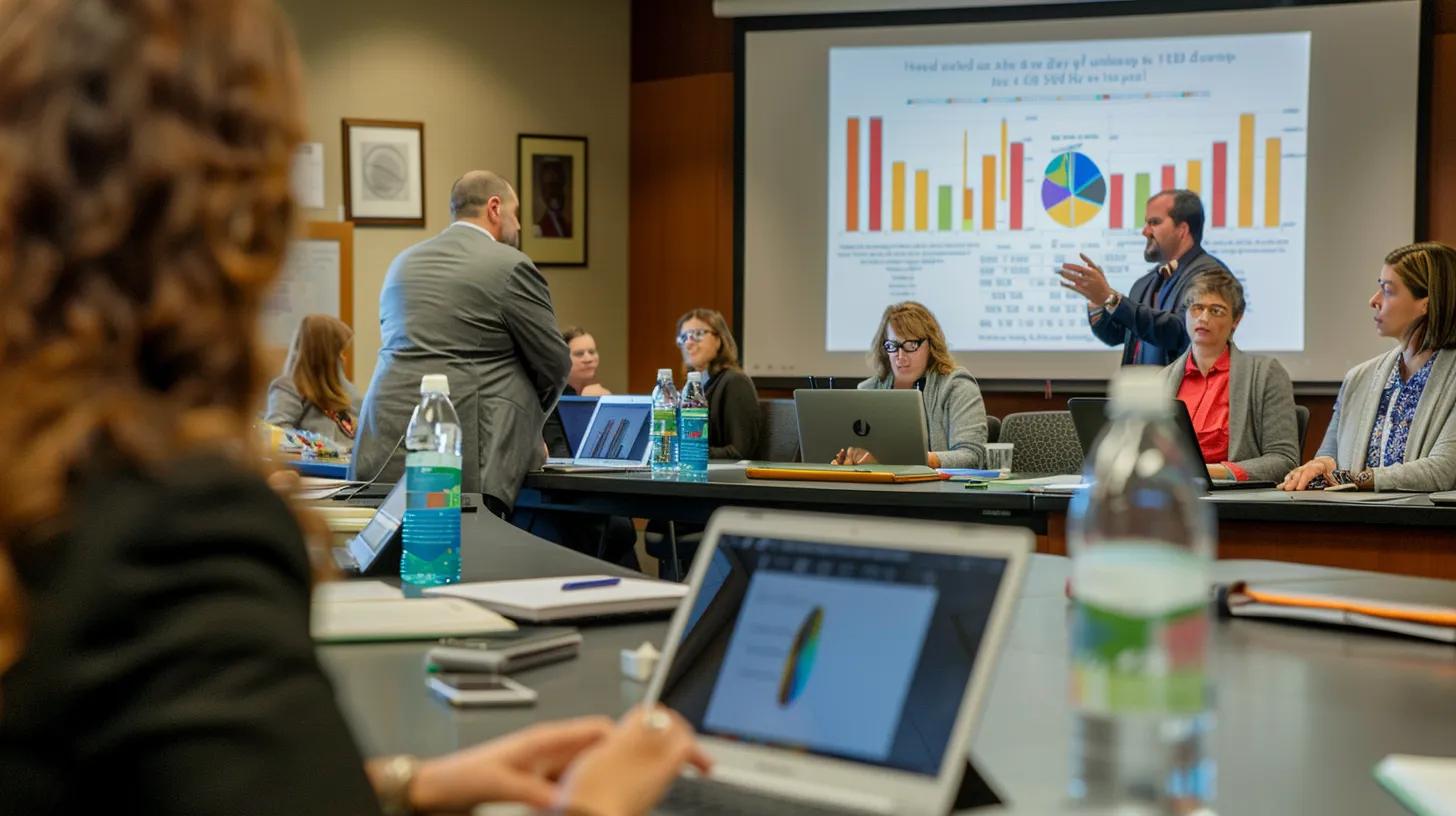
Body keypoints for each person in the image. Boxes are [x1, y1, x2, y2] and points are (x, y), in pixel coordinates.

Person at [0, 1, 707, 813]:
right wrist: (594, 806)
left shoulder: (402, 265)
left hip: (386, 435)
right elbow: (548, 362)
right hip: (472, 453)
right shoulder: (165, 524)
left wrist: (410, 784)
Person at [352, 170, 570, 516]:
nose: (518, 228)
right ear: (495, 208)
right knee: (451, 564)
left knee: (394, 565)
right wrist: (527, 426)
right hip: (459, 460)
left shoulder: (402, 264)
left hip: (380, 447)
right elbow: (555, 363)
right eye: (516, 215)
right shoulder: (510, 266)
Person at [1282, 242, 1456, 492]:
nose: (1373, 300)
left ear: (1426, 303)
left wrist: (1355, 479)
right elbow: (1329, 456)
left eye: (1387, 290)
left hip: (1427, 526)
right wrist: (1318, 466)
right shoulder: (1359, 377)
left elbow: (1444, 471)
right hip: (1357, 522)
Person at [1059, 189, 1231, 366]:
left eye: (1154, 222)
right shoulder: (1144, 284)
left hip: (1184, 392)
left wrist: (1111, 299)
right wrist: (1097, 301)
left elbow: (1180, 332)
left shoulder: (1211, 277)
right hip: (1141, 392)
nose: (1145, 231)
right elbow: (1114, 336)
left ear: (1182, 230)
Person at [1157, 270, 1299, 483]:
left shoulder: (1265, 373)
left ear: (1236, 320)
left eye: (1216, 310)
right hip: (1171, 496)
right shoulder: (1162, 380)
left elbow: (1284, 460)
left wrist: (1211, 472)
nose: (1203, 318)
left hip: (1235, 502)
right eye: (1197, 308)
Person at [842, 301, 988, 468]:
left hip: (938, 491)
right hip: (879, 489)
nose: (900, 356)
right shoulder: (868, 390)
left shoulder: (957, 386)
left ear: (931, 345)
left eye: (911, 345)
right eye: (892, 346)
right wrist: (849, 459)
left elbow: (972, 457)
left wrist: (898, 460)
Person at [677, 308, 764, 460]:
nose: (688, 343)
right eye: (683, 337)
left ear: (719, 340)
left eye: (697, 334)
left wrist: (686, 453)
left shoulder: (735, 382)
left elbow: (740, 452)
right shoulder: (691, 387)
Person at [264, 314, 360, 451]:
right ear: (324, 356)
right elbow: (277, 433)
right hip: (313, 470)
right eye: (339, 352)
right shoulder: (288, 387)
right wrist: (324, 447)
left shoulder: (341, 392)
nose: (343, 359)